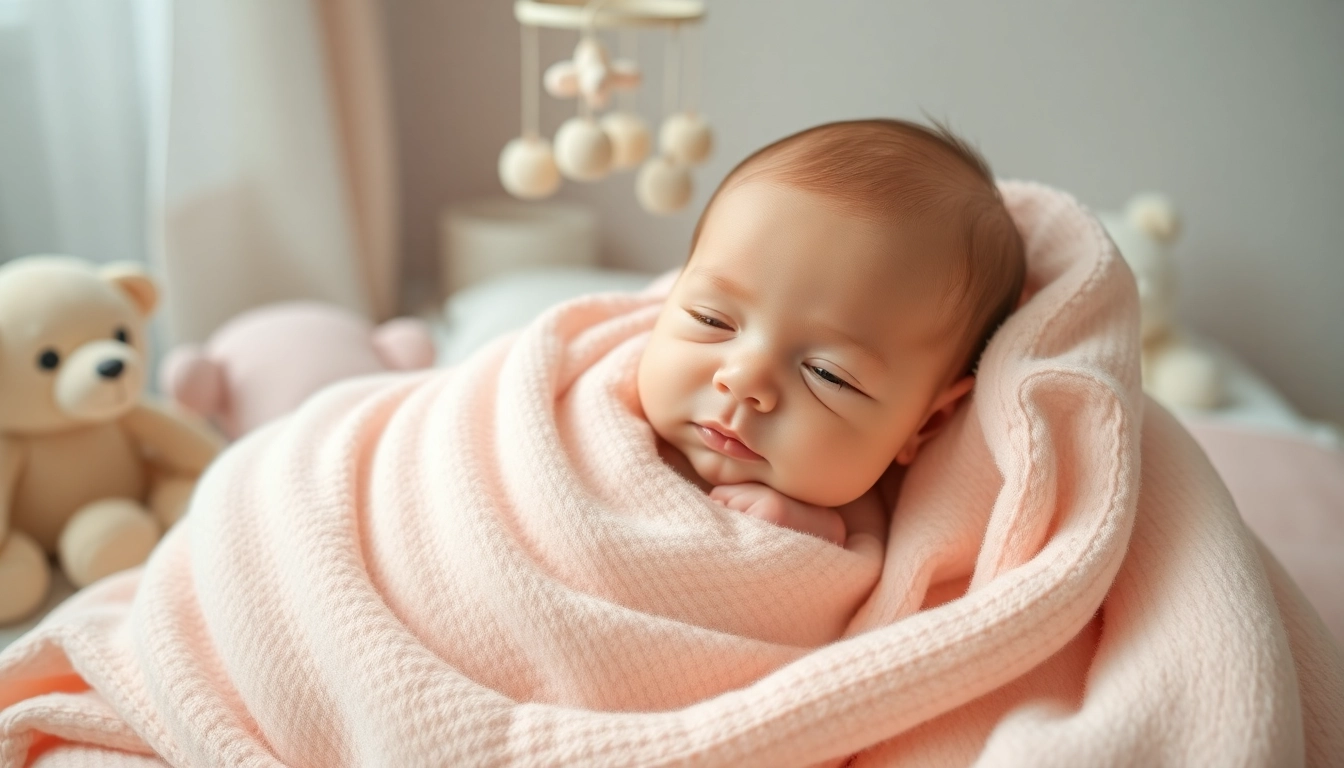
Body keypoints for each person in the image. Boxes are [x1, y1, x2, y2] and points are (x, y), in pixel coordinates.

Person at [637, 118, 1026, 553]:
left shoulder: (862, 516)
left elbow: (854, 594)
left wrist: (809, 534)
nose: (744, 381)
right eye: (712, 321)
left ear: (925, 422)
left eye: (828, 375)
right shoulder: (594, 406)